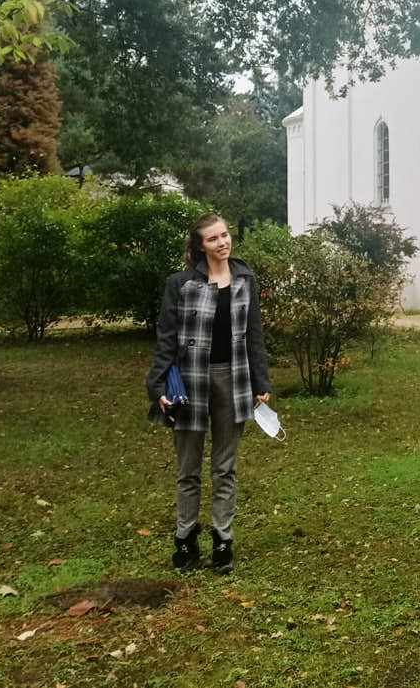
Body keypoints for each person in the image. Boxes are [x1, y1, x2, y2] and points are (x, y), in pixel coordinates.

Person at [146, 213, 271, 575]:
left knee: (224, 468)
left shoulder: (246, 280)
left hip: (234, 380)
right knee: (188, 471)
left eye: (225, 235)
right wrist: (157, 387)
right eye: (213, 238)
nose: (223, 242)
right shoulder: (180, 284)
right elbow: (166, 338)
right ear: (200, 246)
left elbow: (254, 335)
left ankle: (222, 540)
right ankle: (185, 540)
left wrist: (261, 382)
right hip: (190, 382)